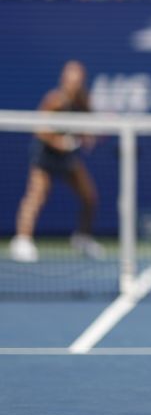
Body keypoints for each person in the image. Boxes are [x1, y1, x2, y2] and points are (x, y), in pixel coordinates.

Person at [9, 61, 105, 264]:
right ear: (64, 79)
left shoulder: (83, 101)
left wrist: (89, 136)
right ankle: (22, 241)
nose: (74, 84)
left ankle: (83, 238)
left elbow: (88, 126)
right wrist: (59, 142)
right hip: (46, 155)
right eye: (71, 79)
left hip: (67, 157)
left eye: (78, 80)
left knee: (89, 196)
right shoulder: (54, 100)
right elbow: (40, 129)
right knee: (36, 196)